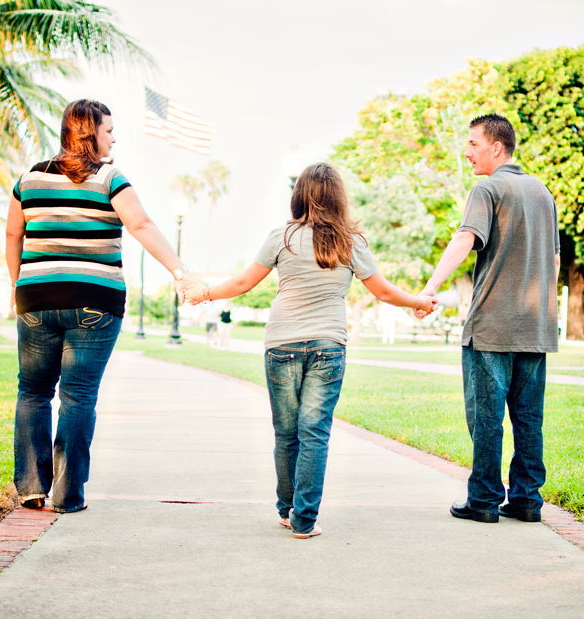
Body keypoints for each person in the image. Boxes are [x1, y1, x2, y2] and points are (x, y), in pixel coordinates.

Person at [185, 163, 436, 538]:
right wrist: (420, 301)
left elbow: (241, 283)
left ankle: (287, 510)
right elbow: (383, 292)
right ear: (338, 198)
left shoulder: (282, 236)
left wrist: (202, 293)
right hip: (328, 346)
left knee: (286, 433)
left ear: (298, 195)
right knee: (314, 433)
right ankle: (304, 520)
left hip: (282, 344)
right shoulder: (351, 242)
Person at [6, 100, 197, 513]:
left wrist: (16, 282)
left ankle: (32, 488)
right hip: (95, 301)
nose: (114, 138)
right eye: (109, 130)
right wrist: (181, 272)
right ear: (89, 132)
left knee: (33, 391)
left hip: (35, 298)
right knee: (78, 396)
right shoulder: (111, 179)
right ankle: (68, 495)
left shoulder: (30, 178)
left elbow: (12, 235)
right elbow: (141, 225)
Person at [415, 114, 560, 524]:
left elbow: (465, 238)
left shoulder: (488, 188)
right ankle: (528, 501)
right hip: (536, 327)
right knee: (529, 418)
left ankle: (483, 500)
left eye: (473, 144)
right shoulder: (542, 192)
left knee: (486, 416)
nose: (467, 152)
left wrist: (429, 289)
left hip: (492, 325)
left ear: (496, 147)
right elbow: (553, 259)